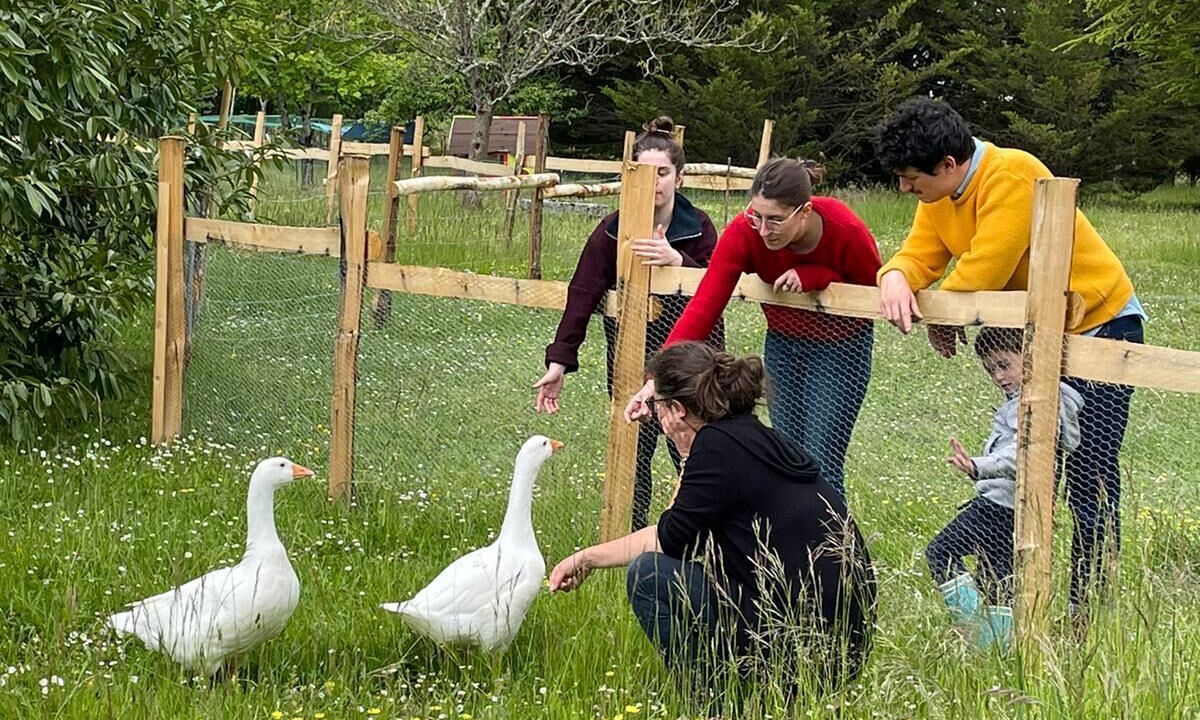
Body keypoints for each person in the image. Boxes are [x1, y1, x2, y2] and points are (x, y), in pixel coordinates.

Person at [873, 97, 1146, 613]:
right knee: (1027, 467)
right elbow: (920, 254)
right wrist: (894, 276)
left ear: (949, 166)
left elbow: (985, 270)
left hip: (1099, 324)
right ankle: (1012, 607)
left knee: (1090, 474)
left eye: (913, 179)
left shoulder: (1012, 174)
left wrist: (940, 313)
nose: (906, 190)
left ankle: (1087, 609)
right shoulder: (939, 197)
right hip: (1041, 329)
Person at [550, 342, 876, 707]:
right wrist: (587, 557)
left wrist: (686, 452)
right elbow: (684, 534)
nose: (655, 417)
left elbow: (670, 538)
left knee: (649, 576)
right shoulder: (747, 434)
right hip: (844, 643)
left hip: (802, 648)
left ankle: (713, 706)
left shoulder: (713, 448)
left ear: (677, 410)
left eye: (657, 405)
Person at [623, 158, 882, 498]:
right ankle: (784, 547)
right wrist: (656, 379)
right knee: (785, 456)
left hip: (841, 348)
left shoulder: (843, 229)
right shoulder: (745, 232)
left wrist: (818, 277)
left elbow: (874, 290)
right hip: (784, 344)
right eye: (755, 215)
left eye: (775, 220)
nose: (762, 229)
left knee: (821, 460)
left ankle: (832, 549)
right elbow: (705, 304)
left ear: (804, 212)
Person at [535, 116, 721, 531]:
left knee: (693, 454)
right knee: (634, 453)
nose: (654, 182)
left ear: (680, 176)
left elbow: (718, 288)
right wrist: (559, 361)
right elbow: (582, 293)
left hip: (691, 361)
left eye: (663, 173)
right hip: (630, 359)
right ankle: (631, 540)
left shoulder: (700, 228)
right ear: (628, 176)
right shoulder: (613, 230)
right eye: (643, 172)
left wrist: (679, 263)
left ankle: (700, 540)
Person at [926, 326, 1083, 651]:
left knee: (940, 552)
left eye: (1003, 365)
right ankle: (997, 651)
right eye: (990, 369)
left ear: (1030, 358)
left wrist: (977, 466)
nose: (998, 376)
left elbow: (1025, 454)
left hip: (999, 506)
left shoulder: (1036, 403)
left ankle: (973, 627)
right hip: (1018, 510)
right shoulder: (1028, 400)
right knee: (999, 584)